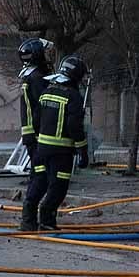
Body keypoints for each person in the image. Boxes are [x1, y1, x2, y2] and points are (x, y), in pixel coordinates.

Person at [20, 55, 88, 231]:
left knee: (39, 182)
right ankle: (47, 219)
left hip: (41, 149)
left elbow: (35, 120)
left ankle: (28, 221)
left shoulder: (46, 92)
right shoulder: (73, 96)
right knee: (58, 186)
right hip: (62, 151)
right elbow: (74, 126)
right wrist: (82, 150)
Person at [17, 38, 56, 169]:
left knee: (38, 169)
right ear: (38, 55)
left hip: (30, 132)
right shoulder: (38, 78)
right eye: (45, 52)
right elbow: (42, 106)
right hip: (37, 133)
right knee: (40, 172)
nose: (48, 56)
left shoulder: (29, 75)